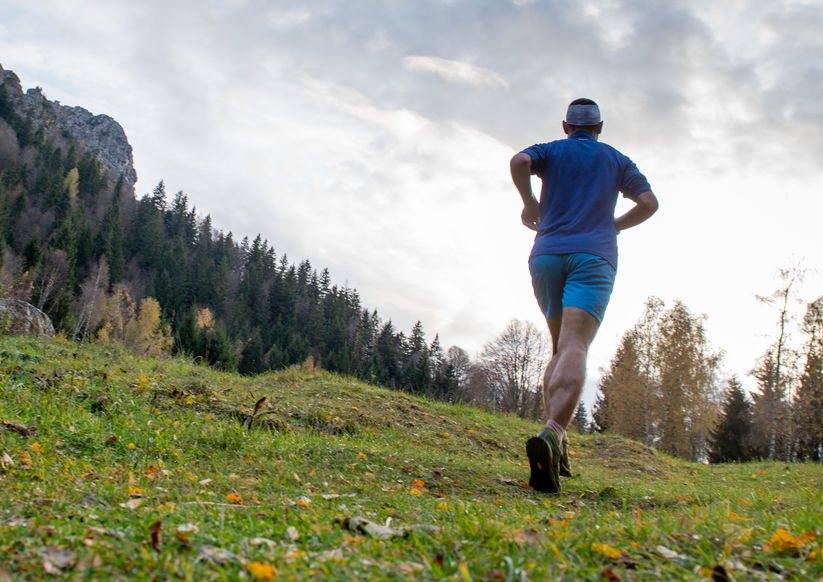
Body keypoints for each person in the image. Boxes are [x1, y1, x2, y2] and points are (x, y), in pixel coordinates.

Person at [509, 98, 658, 493]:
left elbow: (519, 161)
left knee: (558, 348)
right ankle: (555, 430)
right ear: (600, 128)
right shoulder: (616, 160)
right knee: (575, 345)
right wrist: (615, 225)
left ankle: (559, 443)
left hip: (546, 255)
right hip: (593, 256)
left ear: (565, 126)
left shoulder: (551, 151)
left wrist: (530, 204)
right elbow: (648, 203)